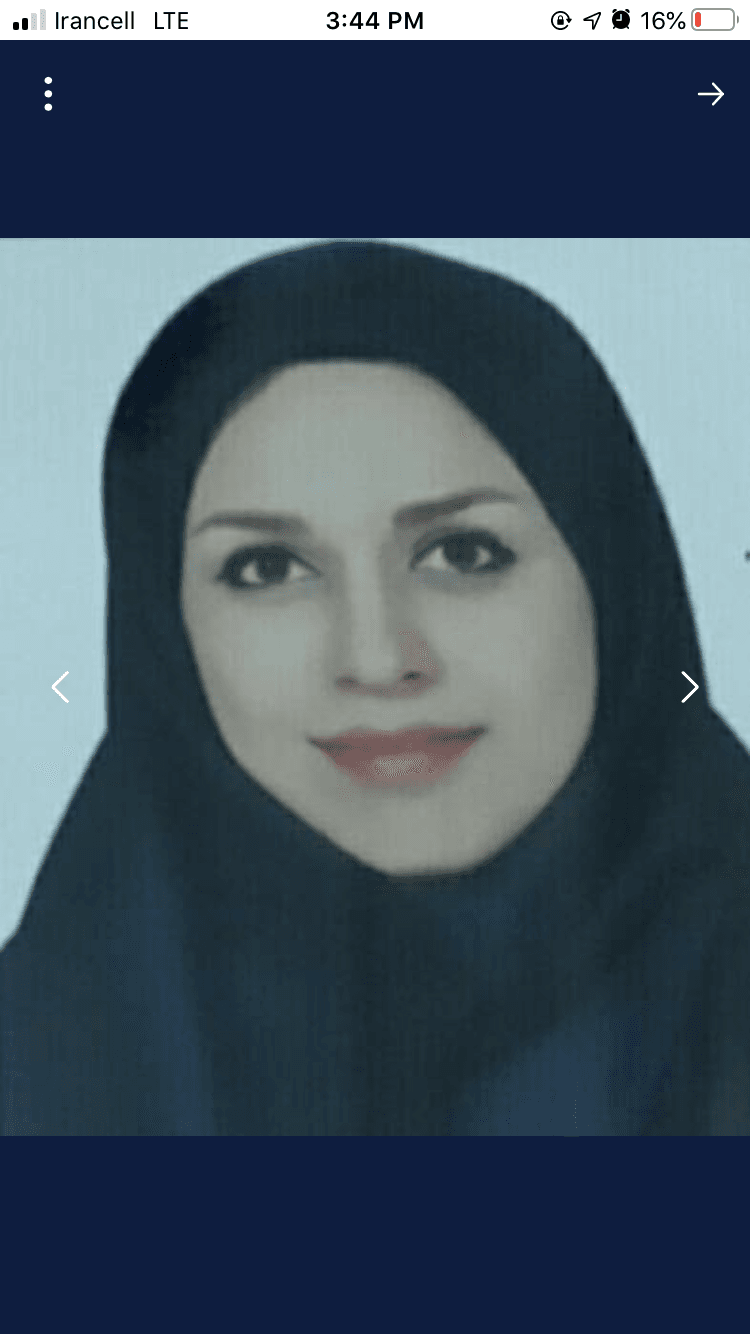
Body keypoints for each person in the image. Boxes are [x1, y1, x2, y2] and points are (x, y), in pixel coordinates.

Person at [2, 240, 748, 1135]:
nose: (380, 657)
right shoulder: (42, 1059)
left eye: (463, 554)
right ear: (165, 629)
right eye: (268, 568)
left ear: (611, 578)